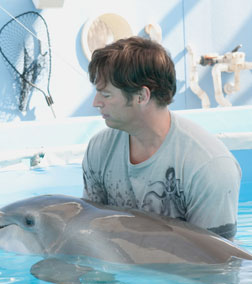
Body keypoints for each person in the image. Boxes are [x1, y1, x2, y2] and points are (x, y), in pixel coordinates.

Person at [82, 36, 241, 239]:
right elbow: (90, 231)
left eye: (106, 95)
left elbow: (218, 265)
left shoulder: (209, 167)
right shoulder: (99, 149)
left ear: (142, 96)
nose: (96, 102)